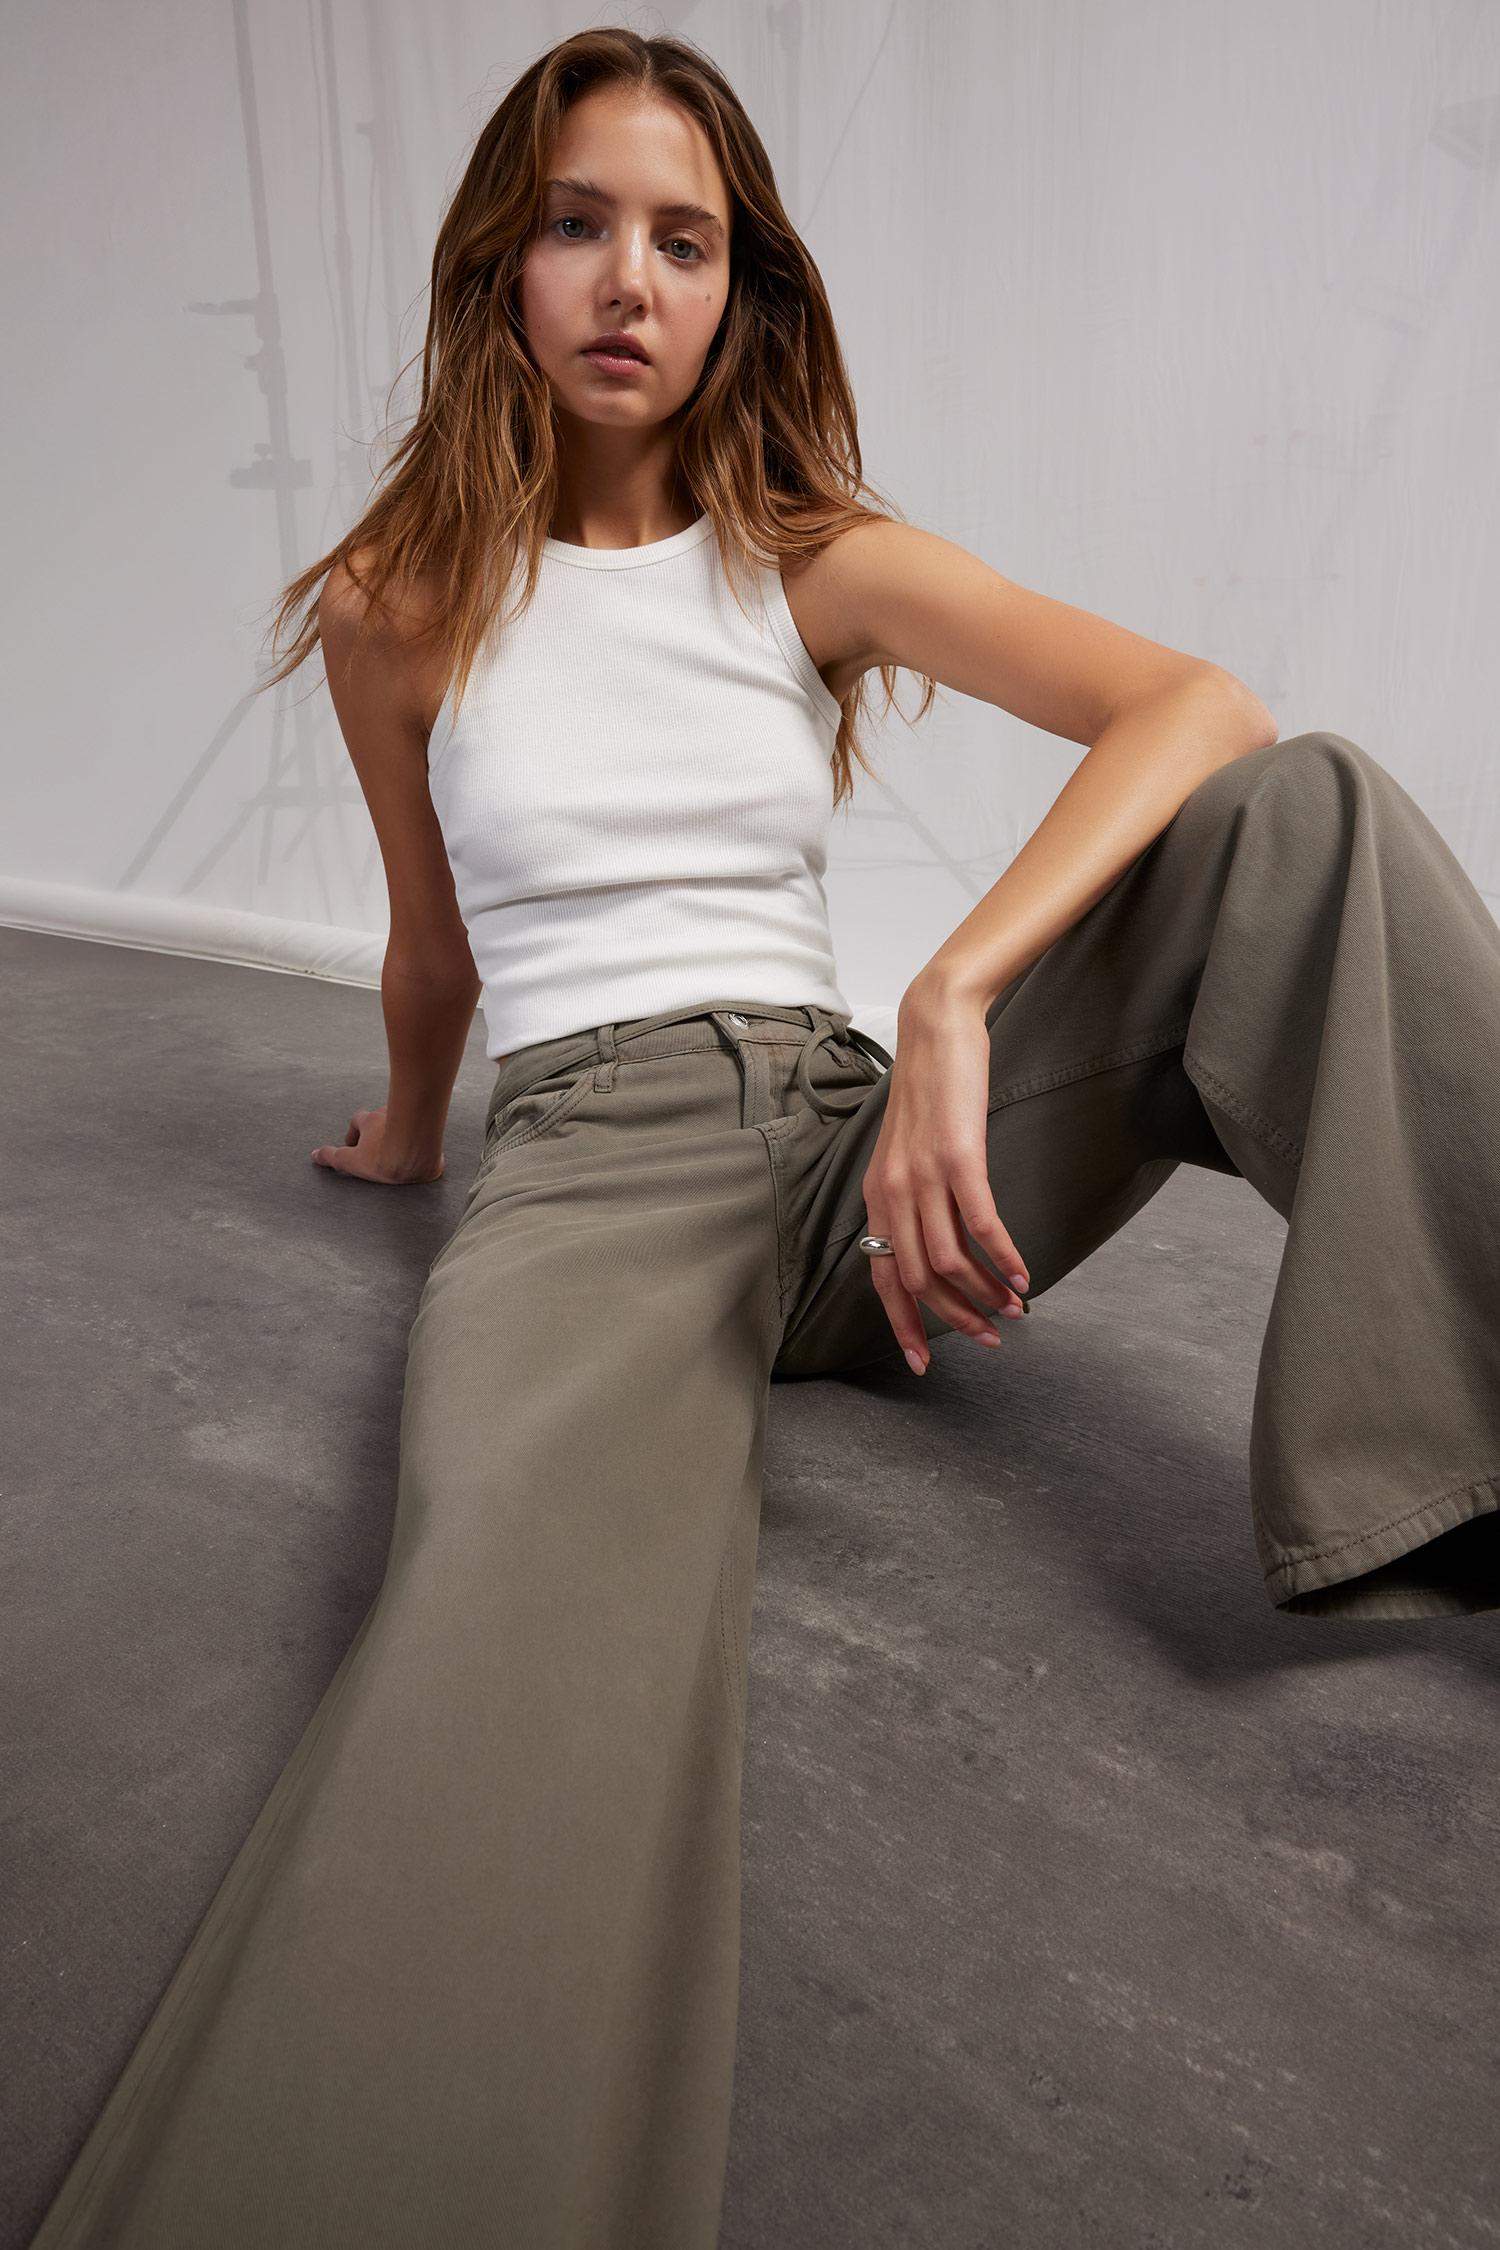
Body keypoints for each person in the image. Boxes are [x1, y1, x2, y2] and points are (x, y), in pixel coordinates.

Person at [30, 25, 1500, 2250]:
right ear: (502, 267)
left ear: (742, 292)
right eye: (580, 226)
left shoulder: (808, 556)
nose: (632, 280)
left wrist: (952, 993)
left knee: (1316, 817)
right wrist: (414, 1134)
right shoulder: (394, 606)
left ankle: (1471, 1456)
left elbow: (1198, 708)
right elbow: (434, 938)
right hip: (591, 1169)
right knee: (499, 1619)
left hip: (859, 1160)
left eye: (686, 240)